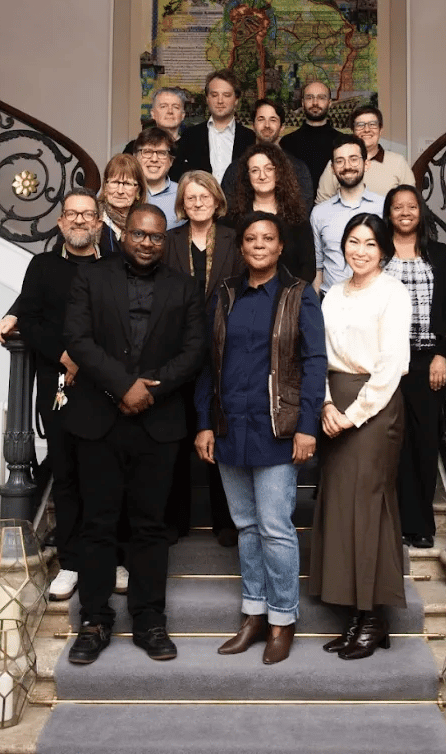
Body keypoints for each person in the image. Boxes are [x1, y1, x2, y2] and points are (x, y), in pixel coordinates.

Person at [63, 204, 206, 664]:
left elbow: (193, 352)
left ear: (167, 241)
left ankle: (149, 620)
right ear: (123, 233)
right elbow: (78, 339)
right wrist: (122, 386)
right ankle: (95, 620)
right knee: (98, 524)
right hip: (98, 419)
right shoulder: (90, 277)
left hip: (158, 424)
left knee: (150, 529)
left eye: (157, 237)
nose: (148, 243)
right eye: (140, 234)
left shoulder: (185, 288)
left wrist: (149, 390)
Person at [194, 211, 327, 664]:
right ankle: (253, 613)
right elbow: (207, 362)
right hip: (231, 425)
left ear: (280, 246)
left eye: (267, 238)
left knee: (274, 527)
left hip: (277, 428)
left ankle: (282, 619)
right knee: (247, 526)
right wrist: (204, 422)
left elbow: (313, 364)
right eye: (250, 238)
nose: (258, 245)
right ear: (241, 246)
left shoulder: (297, 295)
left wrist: (308, 425)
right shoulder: (225, 295)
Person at [309, 213, 411, 661]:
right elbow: (318, 355)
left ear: (383, 249)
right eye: (353, 241)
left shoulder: (394, 292)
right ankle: (356, 615)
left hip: (374, 407)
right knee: (340, 506)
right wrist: (326, 405)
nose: (360, 250)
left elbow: (391, 364)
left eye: (370, 243)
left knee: (369, 508)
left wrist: (353, 415)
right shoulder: (331, 294)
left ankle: (373, 617)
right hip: (334, 402)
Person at [15, 189, 104, 602]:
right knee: (66, 477)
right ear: (60, 222)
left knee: (106, 477)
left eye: (88, 214)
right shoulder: (42, 266)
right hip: (57, 388)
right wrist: (64, 355)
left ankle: (110, 558)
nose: (80, 220)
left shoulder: (116, 267)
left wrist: (85, 358)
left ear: (100, 223)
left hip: (104, 384)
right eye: (73, 214)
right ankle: (70, 563)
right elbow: (30, 320)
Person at [162, 171, 242, 546]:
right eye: (190, 197)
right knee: (177, 435)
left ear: (216, 200)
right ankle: (175, 519)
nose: (197, 203)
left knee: (220, 433)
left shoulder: (234, 239)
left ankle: (225, 519)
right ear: (182, 202)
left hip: (224, 349)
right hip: (177, 350)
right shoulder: (168, 241)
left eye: (204, 196)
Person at [382, 186, 446, 550]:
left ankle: (422, 526)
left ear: (420, 212)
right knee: (392, 443)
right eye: (397, 207)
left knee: (425, 443)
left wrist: (443, 354)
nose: (404, 212)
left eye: (411, 206)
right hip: (386, 361)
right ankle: (396, 521)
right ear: (389, 214)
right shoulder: (378, 255)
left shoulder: (441, 256)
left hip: (427, 360)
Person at [226, 143, 315, 283]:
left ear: (279, 173)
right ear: (247, 176)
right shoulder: (233, 218)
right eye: (255, 170)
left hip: (287, 299)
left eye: (269, 169)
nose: (262, 176)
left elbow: (308, 268)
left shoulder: (297, 218)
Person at [310, 134, 384, 296]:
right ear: (332, 168)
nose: (347, 166)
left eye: (353, 159)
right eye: (340, 161)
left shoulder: (384, 207)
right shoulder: (319, 213)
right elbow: (318, 266)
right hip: (331, 302)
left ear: (366, 164)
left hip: (375, 300)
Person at [220, 99, 314, 213]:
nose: (267, 125)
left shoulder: (298, 168)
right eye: (261, 119)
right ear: (253, 125)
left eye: (273, 120)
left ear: (282, 127)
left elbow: (303, 210)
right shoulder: (236, 168)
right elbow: (227, 209)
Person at [316, 105, 416, 202]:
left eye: (372, 124)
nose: (367, 130)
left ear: (381, 130)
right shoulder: (338, 164)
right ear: (353, 130)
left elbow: (412, 201)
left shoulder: (398, 162)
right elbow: (322, 205)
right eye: (360, 125)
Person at [177, 69, 255, 183]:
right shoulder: (190, 136)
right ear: (207, 98)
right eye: (214, 95)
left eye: (226, 95)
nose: (220, 101)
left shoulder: (249, 137)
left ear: (236, 100)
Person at [279, 81, 341, 189]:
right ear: (302, 103)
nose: (315, 103)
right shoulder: (287, 143)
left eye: (321, 97)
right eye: (309, 97)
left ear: (330, 103)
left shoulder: (343, 141)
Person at [124, 88, 187, 182]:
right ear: (153, 114)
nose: (170, 111)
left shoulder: (194, 149)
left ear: (183, 115)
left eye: (176, 107)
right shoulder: (134, 147)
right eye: (163, 106)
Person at [97, 153, 147, 256]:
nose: (120, 191)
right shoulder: (91, 218)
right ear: (105, 187)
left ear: (138, 191)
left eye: (127, 184)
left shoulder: (145, 223)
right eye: (115, 182)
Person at [133, 127, 182, 230]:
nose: (154, 159)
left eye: (161, 153)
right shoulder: (119, 190)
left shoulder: (183, 194)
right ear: (135, 157)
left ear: (171, 161)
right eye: (147, 152)